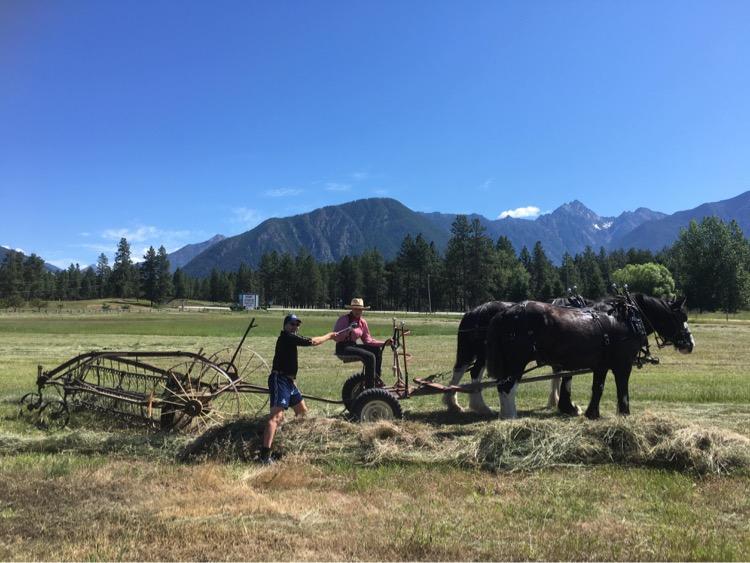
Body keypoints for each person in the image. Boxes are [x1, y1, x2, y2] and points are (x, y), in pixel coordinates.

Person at [260, 313, 335, 465]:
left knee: (302, 413)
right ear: (285, 326)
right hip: (279, 379)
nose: (295, 327)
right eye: (292, 324)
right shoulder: (287, 337)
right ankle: (264, 457)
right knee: (276, 417)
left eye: (297, 325)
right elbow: (312, 342)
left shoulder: (291, 338)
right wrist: (330, 336)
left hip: (289, 382)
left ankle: (289, 445)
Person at [333, 298, 392, 388]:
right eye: (355, 309)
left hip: (353, 346)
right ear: (352, 309)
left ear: (362, 310)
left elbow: (368, 341)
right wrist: (348, 331)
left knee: (376, 350)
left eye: (360, 309)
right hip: (343, 347)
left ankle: (376, 379)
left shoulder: (362, 322)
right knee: (370, 356)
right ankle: (370, 387)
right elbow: (336, 337)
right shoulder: (344, 319)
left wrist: (384, 343)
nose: (358, 311)